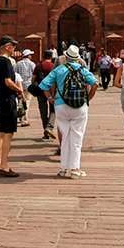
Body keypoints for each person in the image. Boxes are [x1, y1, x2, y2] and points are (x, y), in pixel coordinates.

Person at [39, 44, 98, 179]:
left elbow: (44, 85)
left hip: (61, 105)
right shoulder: (83, 69)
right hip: (79, 106)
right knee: (76, 137)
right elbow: (95, 83)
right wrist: (88, 98)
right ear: (77, 57)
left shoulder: (59, 69)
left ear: (65, 56)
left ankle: (64, 169)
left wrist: (50, 98)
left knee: (65, 137)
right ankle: (75, 169)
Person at [0, 35, 25, 177]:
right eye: (13, 46)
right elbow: (8, 82)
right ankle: (4, 166)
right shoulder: (6, 62)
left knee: (1, 132)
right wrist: (20, 90)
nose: (14, 49)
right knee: (8, 133)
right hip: (7, 99)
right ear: (7, 47)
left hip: (1, 98)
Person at [32, 51, 57, 140]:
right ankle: (49, 127)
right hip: (51, 91)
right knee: (53, 110)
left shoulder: (39, 65)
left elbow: (33, 78)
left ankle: (45, 131)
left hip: (40, 91)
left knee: (43, 111)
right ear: (51, 57)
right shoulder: (53, 66)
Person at [14, 49, 37, 127]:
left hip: (19, 85)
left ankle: (20, 116)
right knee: (26, 102)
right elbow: (34, 75)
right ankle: (24, 120)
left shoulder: (18, 64)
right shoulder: (32, 64)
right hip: (28, 85)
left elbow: (14, 74)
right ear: (28, 56)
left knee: (20, 101)